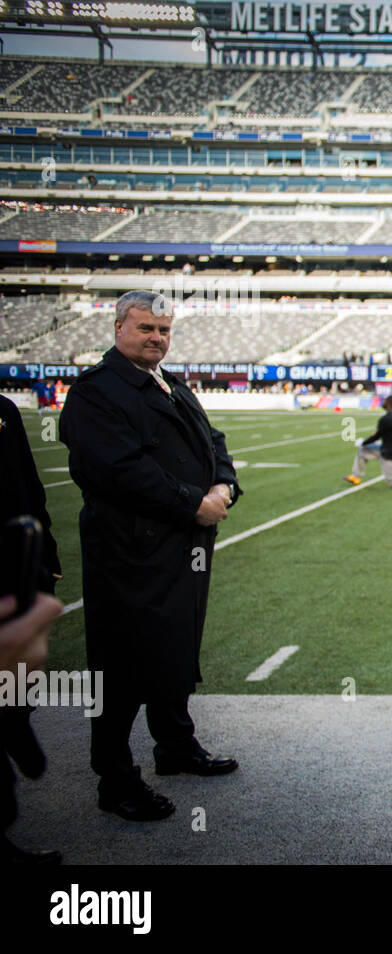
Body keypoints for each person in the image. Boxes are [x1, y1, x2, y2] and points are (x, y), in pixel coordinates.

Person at [59, 290, 241, 824]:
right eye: (145, 329)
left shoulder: (170, 382)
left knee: (173, 650)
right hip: (130, 553)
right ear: (119, 328)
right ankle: (115, 779)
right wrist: (194, 504)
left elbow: (214, 441)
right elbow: (118, 469)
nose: (157, 338)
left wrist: (224, 487)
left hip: (180, 550)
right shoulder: (97, 391)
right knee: (122, 667)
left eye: (163, 330)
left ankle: (175, 746)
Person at [1, 393, 64, 863]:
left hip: (14, 570)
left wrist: (46, 552)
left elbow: (29, 487)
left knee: (15, 684)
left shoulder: (4, 411)